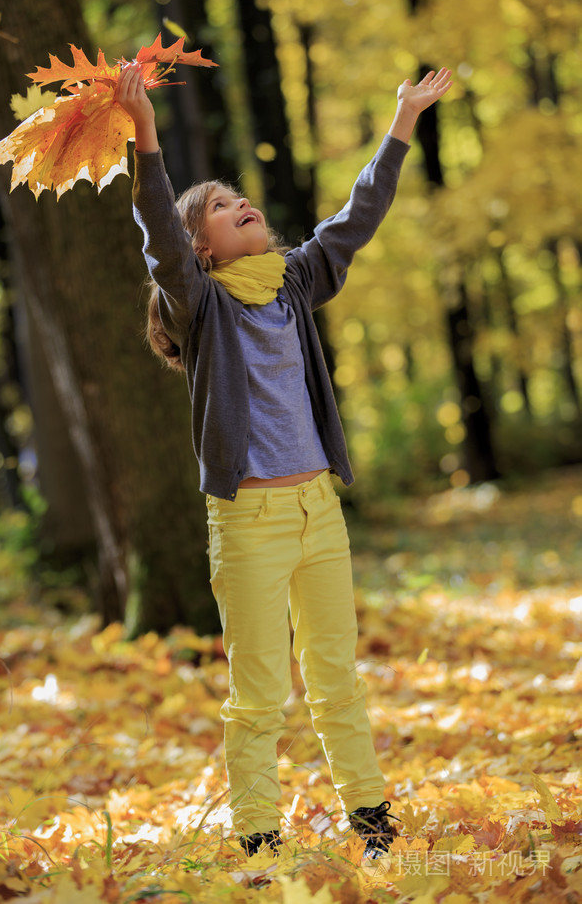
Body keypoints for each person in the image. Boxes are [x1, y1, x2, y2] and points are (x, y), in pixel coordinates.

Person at [116, 62, 452, 860]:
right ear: (205, 249)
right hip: (249, 523)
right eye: (223, 209)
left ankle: (373, 825)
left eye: (239, 197)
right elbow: (160, 234)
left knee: (338, 679)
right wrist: (146, 137)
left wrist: (401, 122)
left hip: (317, 514)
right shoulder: (199, 304)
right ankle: (259, 843)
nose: (241, 205)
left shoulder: (295, 282)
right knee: (260, 694)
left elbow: (356, 216)